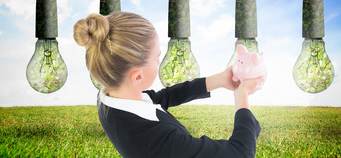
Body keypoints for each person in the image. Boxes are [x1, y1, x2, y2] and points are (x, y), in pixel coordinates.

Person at [73, 11, 264, 158]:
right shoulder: (160, 139)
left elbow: (159, 99)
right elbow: (239, 153)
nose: (160, 61)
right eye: (157, 58)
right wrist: (242, 100)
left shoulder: (109, 95)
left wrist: (219, 80)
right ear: (137, 77)